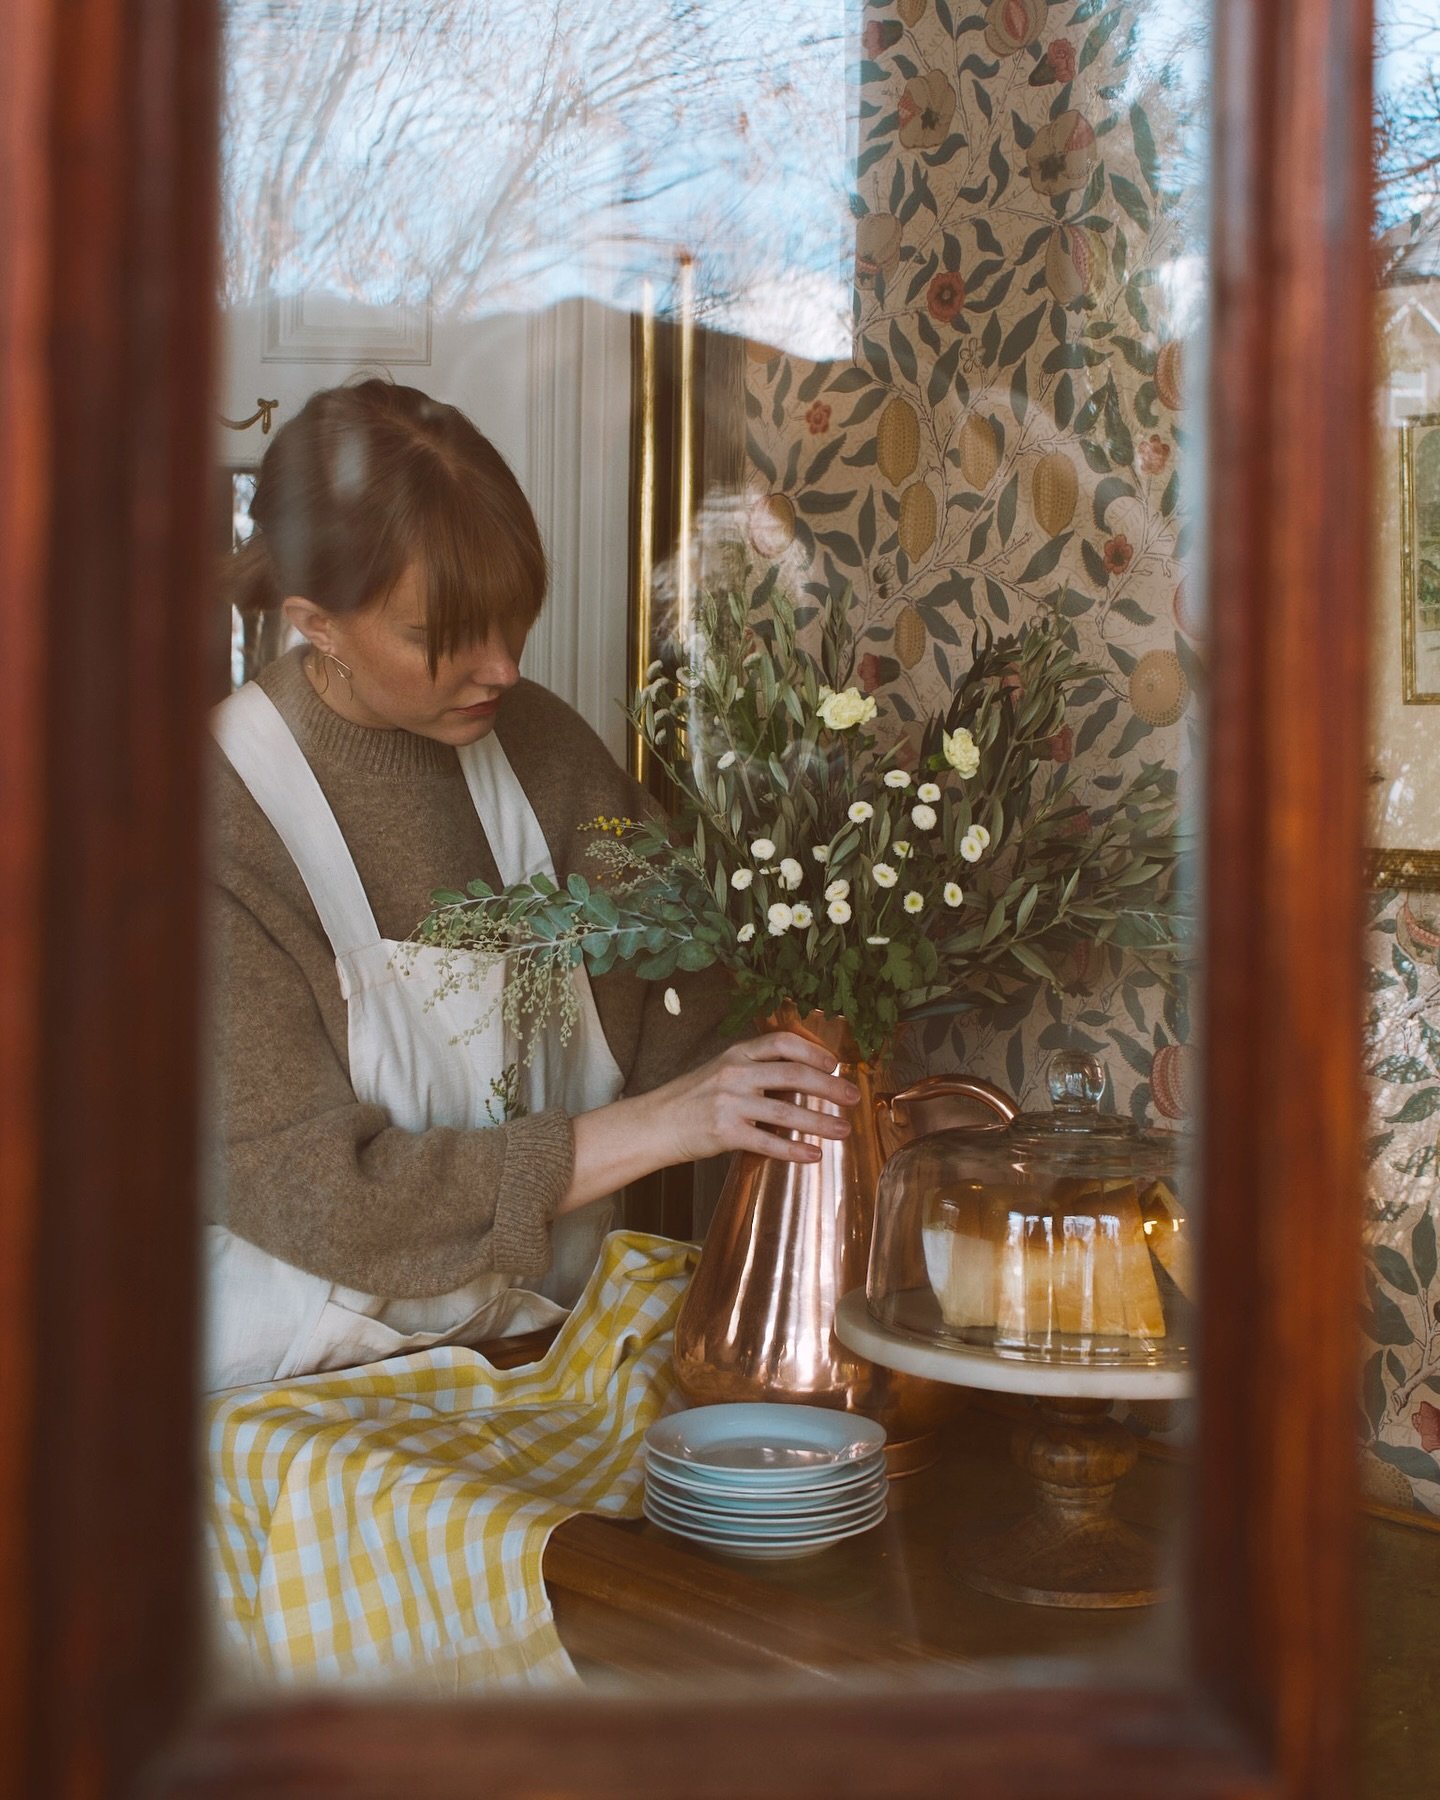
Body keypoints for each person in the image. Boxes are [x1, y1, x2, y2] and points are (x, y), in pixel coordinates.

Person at [206, 378, 856, 1390]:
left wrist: (837, 1070)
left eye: (514, 620)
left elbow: (698, 1017)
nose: (503, 668)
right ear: (315, 623)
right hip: (285, 1402)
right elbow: (335, 1200)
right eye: (442, 635)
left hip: (538, 1353)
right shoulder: (212, 828)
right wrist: (662, 1124)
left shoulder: (542, 751)